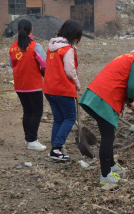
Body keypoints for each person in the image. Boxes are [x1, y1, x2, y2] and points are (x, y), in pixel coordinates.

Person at [80, 38, 134, 185]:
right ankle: (105, 176)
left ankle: (111, 166)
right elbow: (132, 87)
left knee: (109, 134)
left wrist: (132, 105)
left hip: (97, 95)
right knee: (107, 137)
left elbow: (124, 84)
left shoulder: (127, 56)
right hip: (104, 98)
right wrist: (131, 100)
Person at [42, 20, 83, 162]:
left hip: (49, 88)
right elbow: (70, 71)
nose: (77, 40)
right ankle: (57, 148)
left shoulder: (51, 47)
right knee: (70, 118)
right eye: (77, 37)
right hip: (62, 88)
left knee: (59, 118)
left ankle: (55, 148)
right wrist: (77, 84)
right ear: (73, 36)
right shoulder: (67, 49)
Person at [10, 19, 47, 151]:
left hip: (20, 85)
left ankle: (28, 139)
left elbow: (12, 65)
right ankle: (32, 140)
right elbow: (44, 64)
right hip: (33, 84)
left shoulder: (12, 47)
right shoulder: (35, 46)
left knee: (27, 111)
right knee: (36, 112)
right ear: (31, 29)